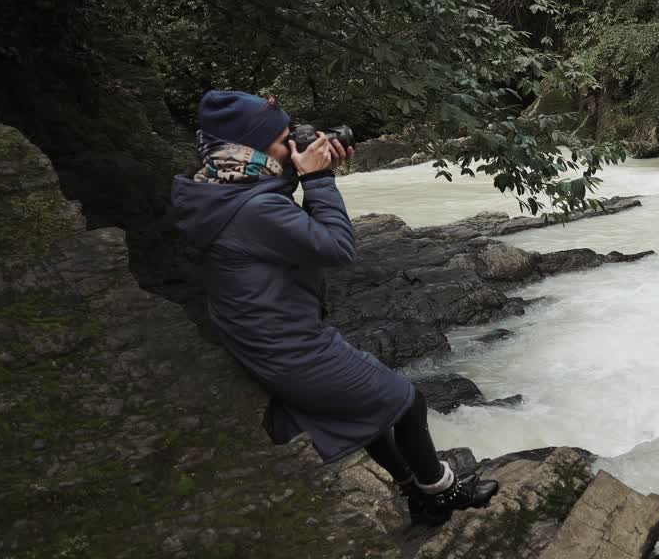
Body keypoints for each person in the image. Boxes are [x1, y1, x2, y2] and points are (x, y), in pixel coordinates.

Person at [170, 90, 497, 526]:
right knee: (406, 401)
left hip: (267, 336)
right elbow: (338, 248)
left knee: (368, 411)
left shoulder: (219, 187)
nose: (292, 147)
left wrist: (307, 171)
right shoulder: (254, 209)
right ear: (251, 146)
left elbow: (267, 203)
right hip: (288, 347)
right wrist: (319, 180)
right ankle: (440, 490)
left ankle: (413, 493)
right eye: (284, 139)